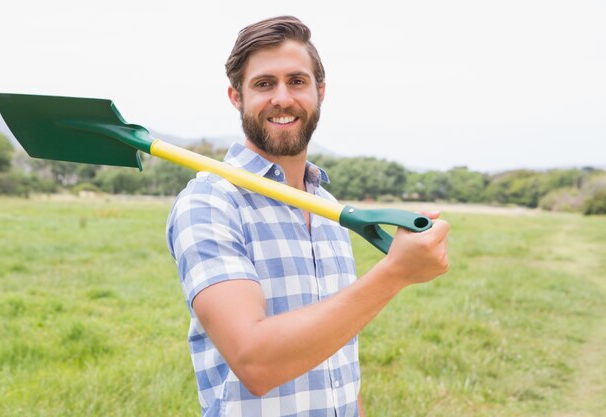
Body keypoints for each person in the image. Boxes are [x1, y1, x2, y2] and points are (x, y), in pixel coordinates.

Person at [166, 15, 450, 417]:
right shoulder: (209, 203)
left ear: (320, 91)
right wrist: (395, 273)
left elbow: (339, 357)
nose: (282, 98)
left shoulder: (329, 209)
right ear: (236, 97)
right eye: (264, 84)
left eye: (297, 81)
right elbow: (255, 362)